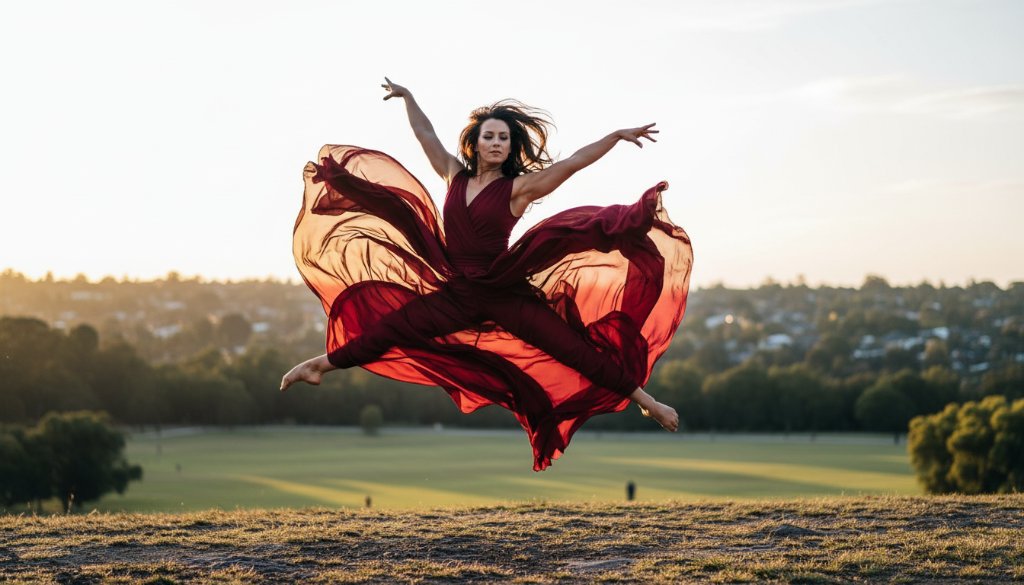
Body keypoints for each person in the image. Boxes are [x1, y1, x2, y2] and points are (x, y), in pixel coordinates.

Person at [281, 78, 693, 470]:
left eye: (503, 138)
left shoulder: (519, 189)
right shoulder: (452, 175)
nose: (496, 143)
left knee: (573, 349)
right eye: (489, 136)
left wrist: (614, 137)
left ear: (510, 147)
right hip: (457, 292)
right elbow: (426, 136)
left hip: (502, 292)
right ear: (475, 143)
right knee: (393, 328)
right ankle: (319, 365)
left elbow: (571, 164)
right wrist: (408, 98)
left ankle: (648, 402)